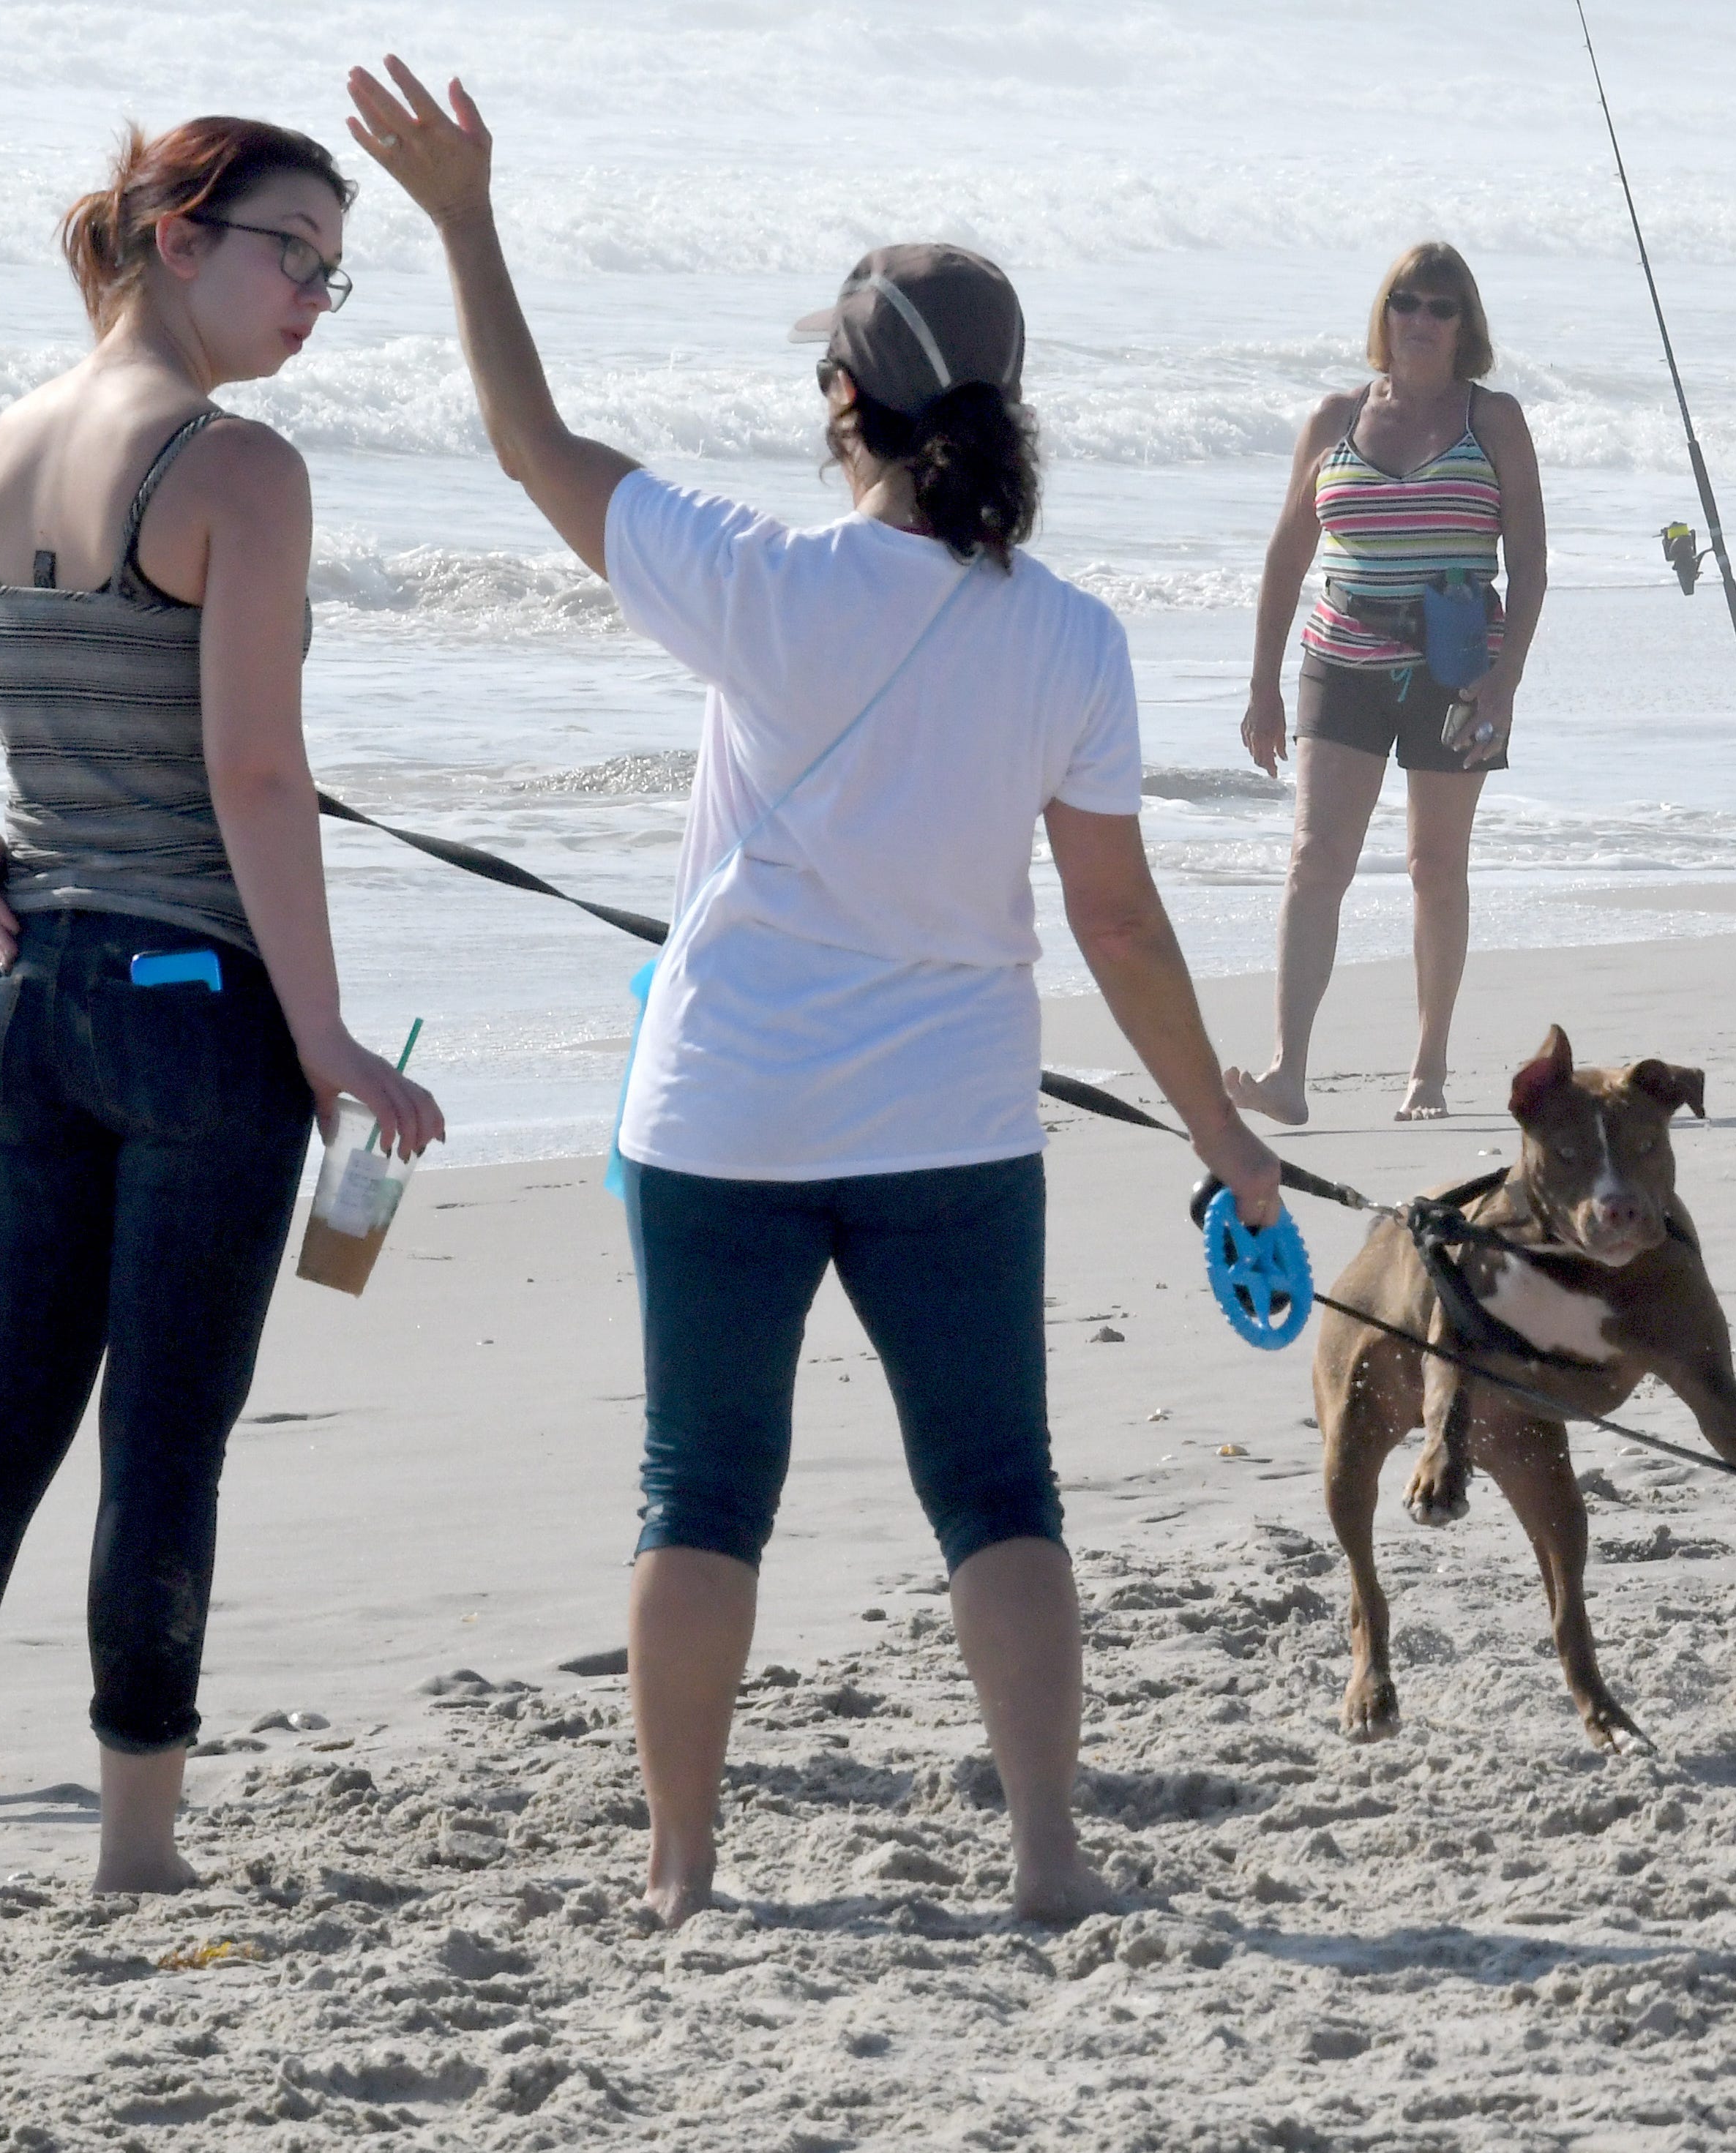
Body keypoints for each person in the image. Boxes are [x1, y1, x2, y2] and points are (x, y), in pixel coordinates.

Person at [342, 56, 1286, 1930]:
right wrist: (1225, 1141)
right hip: (948, 1116)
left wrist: (464, 222)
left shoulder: (758, 581)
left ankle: (682, 1872)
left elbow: (530, 443)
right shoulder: (1070, 637)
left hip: (726, 1109)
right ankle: (1047, 1860)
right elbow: (1117, 928)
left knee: (699, 1488)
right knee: (995, 1489)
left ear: (846, 400)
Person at [0, 116, 444, 1898]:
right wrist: (327, 1034)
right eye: (290, 250)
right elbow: (259, 775)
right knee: (161, 1434)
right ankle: (138, 1845)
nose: (314, 296)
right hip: (193, 1001)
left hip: (29, 996)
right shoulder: (235, 470)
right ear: (175, 236)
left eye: (332, 268)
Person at [1221, 244, 1546, 1127]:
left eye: (1441, 306)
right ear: (1384, 312)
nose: (1421, 320)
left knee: (1434, 865)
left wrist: (1504, 680)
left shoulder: (1495, 420)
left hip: (1455, 667)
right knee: (1312, 858)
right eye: (1406, 301)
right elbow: (1287, 557)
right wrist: (1261, 683)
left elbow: (1530, 563)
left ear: (1464, 323)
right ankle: (1289, 1070)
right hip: (1341, 655)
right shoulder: (1334, 417)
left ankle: (1427, 1069)